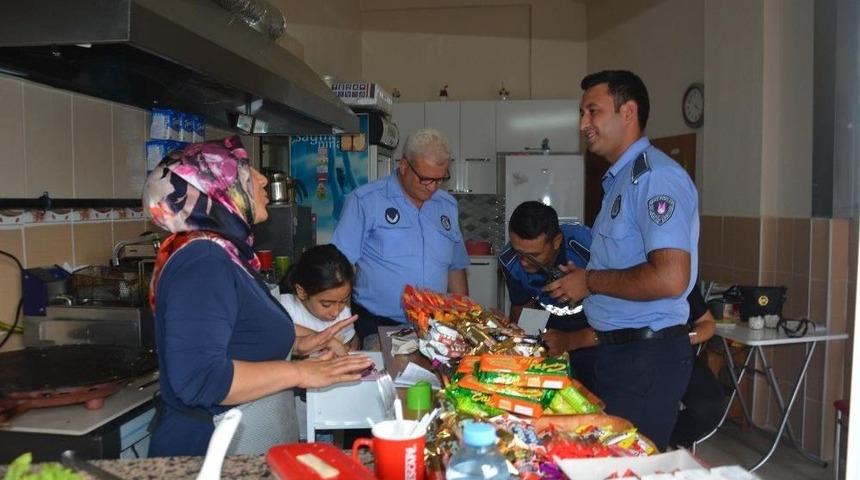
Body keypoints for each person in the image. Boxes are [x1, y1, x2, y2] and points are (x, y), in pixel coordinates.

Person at [143, 136, 372, 457]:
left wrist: (302, 341)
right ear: (217, 190)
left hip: (241, 442)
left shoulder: (223, 252)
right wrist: (302, 372)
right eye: (247, 172)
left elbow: (241, 328)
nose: (263, 179)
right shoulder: (204, 261)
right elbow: (199, 377)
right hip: (206, 451)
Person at [542, 70, 700, 451]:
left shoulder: (655, 178)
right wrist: (586, 278)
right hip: (619, 353)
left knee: (629, 468)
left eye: (592, 111)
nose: (583, 124)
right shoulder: (621, 180)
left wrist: (590, 281)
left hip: (647, 359)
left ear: (627, 112)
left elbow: (670, 278)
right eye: (582, 113)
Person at [332, 128, 469, 343]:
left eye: (440, 179)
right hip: (378, 327)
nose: (432, 187)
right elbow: (339, 269)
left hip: (436, 328)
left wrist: (463, 321)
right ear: (403, 166)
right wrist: (346, 330)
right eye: (425, 179)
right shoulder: (365, 201)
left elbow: (455, 268)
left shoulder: (447, 206)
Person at [498, 201, 597, 392]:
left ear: (557, 241)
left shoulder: (587, 246)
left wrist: (571, 340)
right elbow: (524, 307)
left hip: (596, 328)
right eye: (518, 252)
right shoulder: (510, 261)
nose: (524, 262)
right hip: (551, 331)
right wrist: (523, 349)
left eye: (534, 255)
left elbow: (619, 315)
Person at [280, 244, 361, 352]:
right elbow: (275, 329)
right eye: (326, 304)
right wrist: (328, 341)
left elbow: (348, 348)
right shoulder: (284, 307)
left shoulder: (344, 315)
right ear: (302, 292)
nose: (336, 312)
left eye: (344, 301)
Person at [671, 285, 725, 449]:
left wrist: (686, 339)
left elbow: (707, 323)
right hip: (631, 354)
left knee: (708, 406)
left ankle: (669, 440)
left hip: (676, 353)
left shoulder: (680, 281)